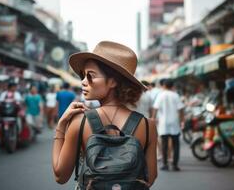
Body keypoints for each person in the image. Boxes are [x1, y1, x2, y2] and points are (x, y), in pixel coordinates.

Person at [52, 41, 157, 189]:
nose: (83, 82)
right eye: (83, 75)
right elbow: (149, 178)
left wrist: (61, 126)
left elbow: (60, 176)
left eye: (90, 76)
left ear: (113, 82)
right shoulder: (148, 126)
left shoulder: (80, 122)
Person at [151, 79, 184, 171]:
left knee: (164, 144)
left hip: (163, 123)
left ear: (164, 86)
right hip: (174, 123)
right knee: (176, 145)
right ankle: (175, 165)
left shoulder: (161, 95)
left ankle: (165, 164)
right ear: (172, 86)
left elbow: (155, 108)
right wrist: (182, 121)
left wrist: (153, 118)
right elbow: (181, 109)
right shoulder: (176, 95)